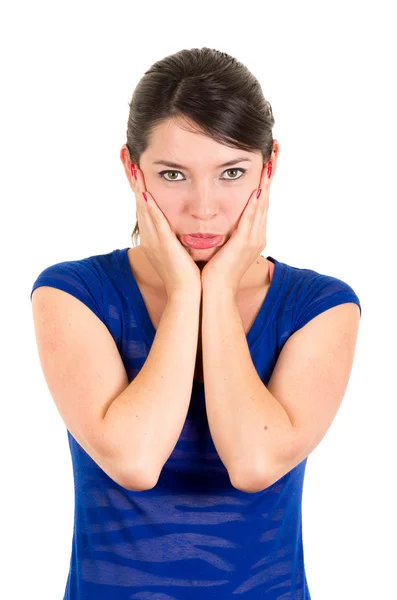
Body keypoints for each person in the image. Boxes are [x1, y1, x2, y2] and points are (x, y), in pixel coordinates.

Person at [30, 47, 361, 599]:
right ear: (132, 171)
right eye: (173, 174)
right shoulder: (73, 293)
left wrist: (221, 288)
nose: (203, 208)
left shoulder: (320, 306)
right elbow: (134, 460)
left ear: (269, 167)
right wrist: (188, 291)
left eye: (232, 173)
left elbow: (254, 464)